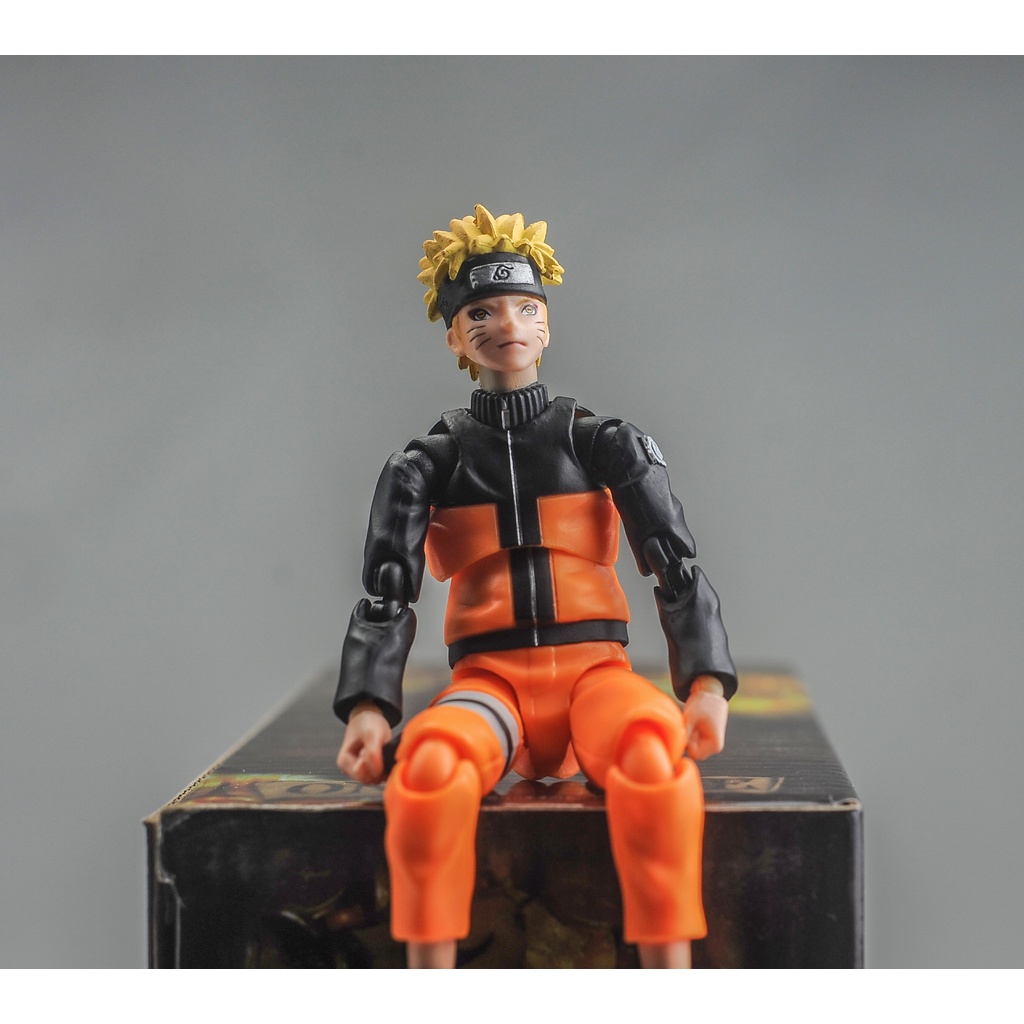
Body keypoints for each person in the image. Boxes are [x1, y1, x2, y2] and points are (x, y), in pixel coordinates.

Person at [334, 205, 737, 968]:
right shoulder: (424, 467)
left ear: (547, 324)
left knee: (653, 756)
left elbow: (676, 564)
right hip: (490, 684)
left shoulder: (604, 444)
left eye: (524, 307)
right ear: (454, 337)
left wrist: (707, 683)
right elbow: (387, 593)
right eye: (480, 312)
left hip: (594, 677)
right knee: (429, 770)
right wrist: (368, 706)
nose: (506, 325)